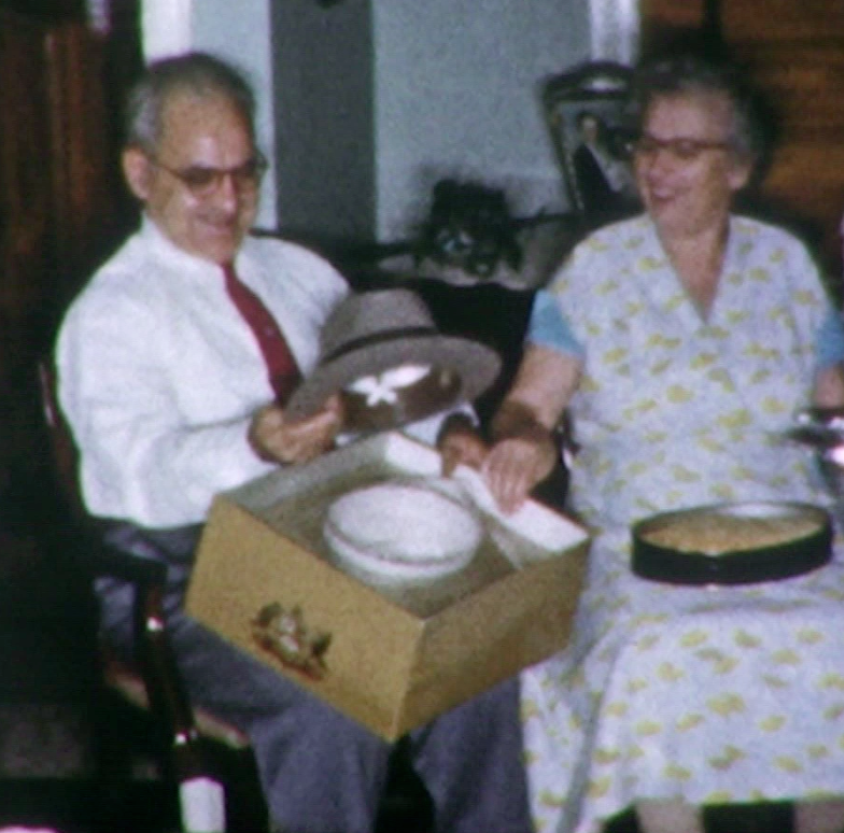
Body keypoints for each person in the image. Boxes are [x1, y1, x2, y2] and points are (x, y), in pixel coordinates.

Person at [55, 52, 530, 833]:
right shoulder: (111, 314)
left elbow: (390, 385)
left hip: (339, 549)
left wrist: (451, 431)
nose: (230, 199)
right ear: (141, 174)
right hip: (185, 577)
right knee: (333, 690)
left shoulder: (300, 271)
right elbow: (135, 477)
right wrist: (254, 446)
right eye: (201, 177)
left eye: (246, 172)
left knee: (479, 657)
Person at [476, 43, 844, 833]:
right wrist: (521, 439)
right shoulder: (591, 270)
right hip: (640, 542)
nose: (657, 168)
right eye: (647, 145)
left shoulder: (789, 266)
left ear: (738, 166)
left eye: (685, 150)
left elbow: (836, 413)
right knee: (660, 654)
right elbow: (528, 407)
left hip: (790, 535)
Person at [571, 110, 637, 224]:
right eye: (587, 129)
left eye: (593, 128)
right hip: (602, 205)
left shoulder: (604, 147)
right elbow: (588, 187)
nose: (591, 132)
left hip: (618, 196)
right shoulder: (581, 154)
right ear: (580, 131)